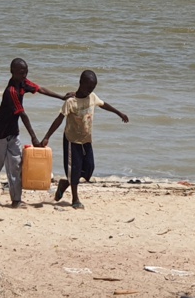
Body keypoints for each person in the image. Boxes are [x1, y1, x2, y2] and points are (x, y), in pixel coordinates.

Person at [0, 58, 73, 209]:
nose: (24, 75)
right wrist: (34, 137)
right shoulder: (11, 91)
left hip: (13, 132)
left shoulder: (23, 83)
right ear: (12, 72)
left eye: (26, 72)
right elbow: (23, 115)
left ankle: (16, 200)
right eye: (21, 72)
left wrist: (62, 97)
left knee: (16, 166)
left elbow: (40, 89)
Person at [40, 70, 129, 209]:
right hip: (72, 140)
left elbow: (103, 104)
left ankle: (65, 183)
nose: (90, 90)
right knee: (74, 169)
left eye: (93, 87)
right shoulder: (71, 102)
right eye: (88, 87)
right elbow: (59, 119)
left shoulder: (92, 97)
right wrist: (47, 137)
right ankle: (75, 198)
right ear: (80, 83)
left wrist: (119, 113)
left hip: (86, 140)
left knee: (89, 169)